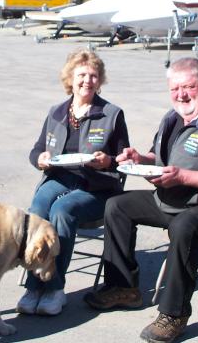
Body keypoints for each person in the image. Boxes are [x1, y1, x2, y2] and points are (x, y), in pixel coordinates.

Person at [84, 56, 198, 343]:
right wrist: (140, 159)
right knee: (117, 206)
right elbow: (159, 159)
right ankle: (123, 287)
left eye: (188, 87)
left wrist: (183, 177)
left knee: (184, 226)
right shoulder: (174, 116)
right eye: (174, 89)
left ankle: (174, 314)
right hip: (174, 198)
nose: (181, 95)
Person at [17, 49, 130, 317]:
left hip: (97, 185)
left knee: (62, 211)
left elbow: (125, 160)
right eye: (81, 75)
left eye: (93, 76)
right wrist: (40, 159)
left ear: (100, 80)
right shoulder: (56, 111)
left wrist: (108, 161)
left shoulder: (112, 114)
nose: (87, 81)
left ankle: (55, 289)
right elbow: (36, 150)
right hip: (60, 177)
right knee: (38, 210)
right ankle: (34, 286)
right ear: (70, 77)